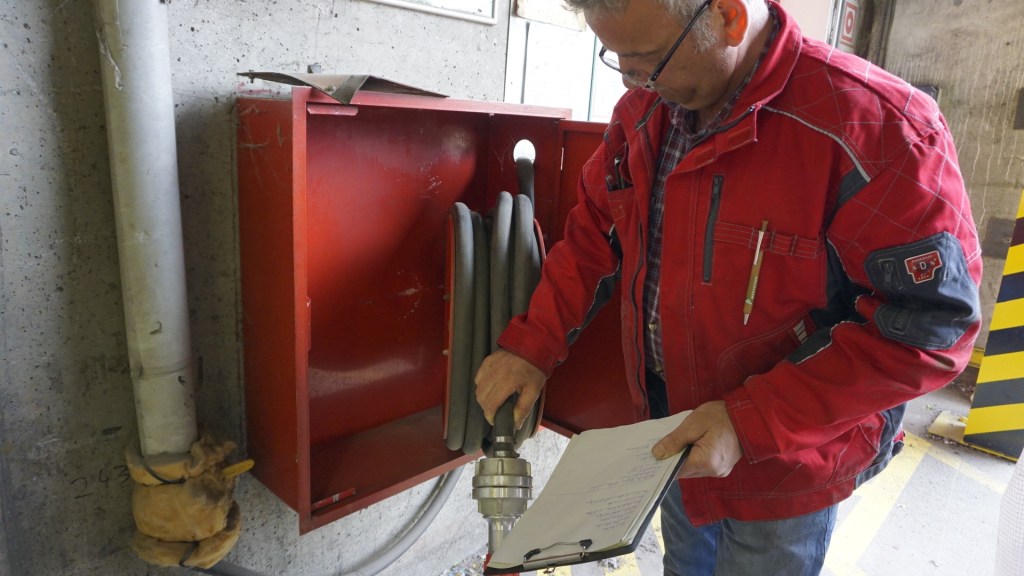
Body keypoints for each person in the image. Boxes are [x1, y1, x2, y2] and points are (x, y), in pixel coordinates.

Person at [475, 0, 983, 574]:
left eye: (646, 59)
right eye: (615, 57)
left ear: (729, 17)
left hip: (788, 464)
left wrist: (747, 421)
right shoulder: (646, 112)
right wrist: (533, 345)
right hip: (674, 437)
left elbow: (932, 327)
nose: (631, 82)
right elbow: (594, 236)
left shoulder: (878, 130)